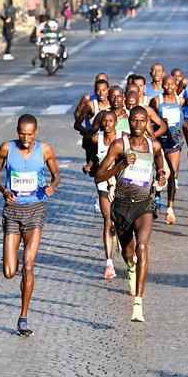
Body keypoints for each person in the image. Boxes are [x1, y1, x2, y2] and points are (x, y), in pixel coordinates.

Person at [0, 114, 61, 336]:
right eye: (22, 133)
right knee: (10, 272)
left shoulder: (45, 150)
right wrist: (4, 190)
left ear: (36, 132)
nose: (26, 138)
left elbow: (57, 175)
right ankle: (15, 261)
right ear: (17, 130)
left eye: (30, 134)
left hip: (36, 210)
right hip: (12, 211)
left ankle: (23, 318)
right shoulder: (6, 149)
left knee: (28, 265)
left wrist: (52, 186)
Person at [95, 106, 168, 322]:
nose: (137, 125)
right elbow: (99, 176)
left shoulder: (153, 145)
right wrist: (121, 166)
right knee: (128, 254)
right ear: (130, 123)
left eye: (141, 121)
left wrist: (162, 175)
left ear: (147, 123)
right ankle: (130, 267)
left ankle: (138, 302)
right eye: (134, 121)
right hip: (121, 206)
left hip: (144, 205)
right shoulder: (120, 145)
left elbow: (160, 162)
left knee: (142, 246)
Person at [83, 110, 119, 279]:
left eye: (110, 121)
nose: (107, 124)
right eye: (104, 121)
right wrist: (89, 166)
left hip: (121, 183)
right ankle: (109, 263)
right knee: (108, 219)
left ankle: (123, 241)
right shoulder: (96, 139)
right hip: (103, 182)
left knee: (121, 220)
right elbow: (94, 157)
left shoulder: (122, 138)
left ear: (116, 123)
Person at [149, 75, 184, 223]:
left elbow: (184, 117)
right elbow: (149, 118)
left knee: (173, 175)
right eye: (166, 84)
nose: (169, 87)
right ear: (162, 85)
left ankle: (170, 209)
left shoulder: (179, 100)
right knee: (161, 172)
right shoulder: (157, 100)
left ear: (176, 85)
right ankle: (154, 196)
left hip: (174, 142)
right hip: (160, 142)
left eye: (172, 84)